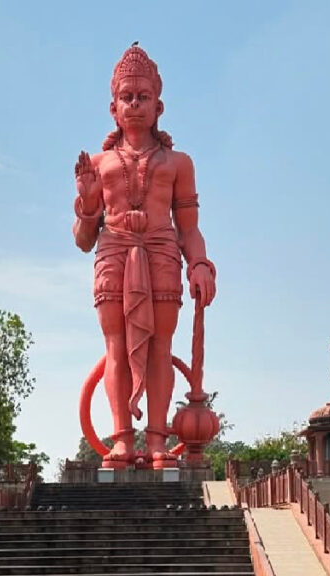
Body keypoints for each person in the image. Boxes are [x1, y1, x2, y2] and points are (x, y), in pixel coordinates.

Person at [72, 44, 216, 468]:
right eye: (127, 97)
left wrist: (201, 264)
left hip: (161, 252)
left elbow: (188, 227)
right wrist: (89, 203)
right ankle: (121, 439)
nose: (135, 104)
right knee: (116, 346)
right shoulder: (97, 163)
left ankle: (156, 441)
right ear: (113, 107)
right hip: (113, 251)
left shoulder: (178, 163)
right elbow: (83, 239)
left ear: (159, 105)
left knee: (160, 346)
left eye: (143, 96)